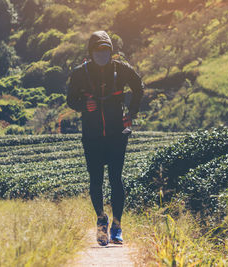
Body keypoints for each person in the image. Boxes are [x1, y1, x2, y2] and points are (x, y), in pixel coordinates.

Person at [67, 30, 144, 246]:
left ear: (111, 51)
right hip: (91, 135)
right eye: (98, 50)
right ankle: (102, 221)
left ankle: (117, 227)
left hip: (117, 133)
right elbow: (70, 99)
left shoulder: (122, 69)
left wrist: (132, 112)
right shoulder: (80, 73)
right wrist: (83, 105)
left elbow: (139, 87)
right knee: (96, 181)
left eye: (106, 50)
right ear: (91, 52)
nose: (102, 54)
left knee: (116, 179)